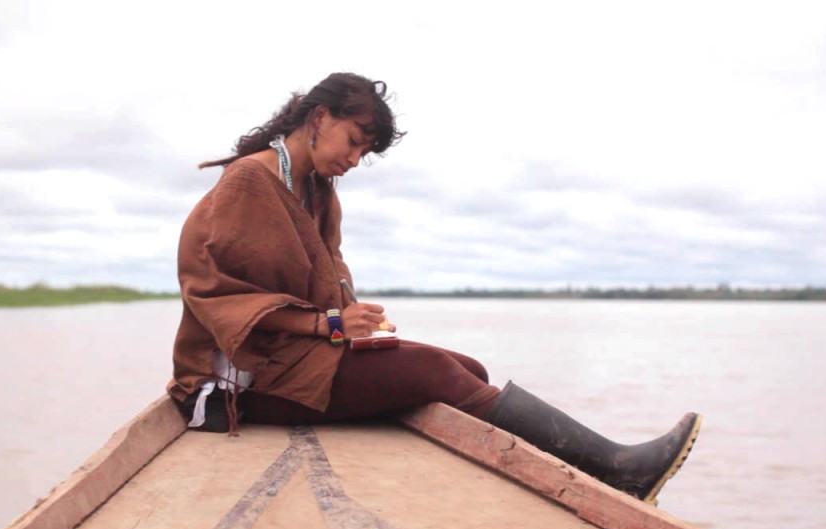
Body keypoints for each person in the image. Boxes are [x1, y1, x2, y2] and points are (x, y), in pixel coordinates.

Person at [167, 72, 701, 504]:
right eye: (353, 141)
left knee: (469, 371)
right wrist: (328, 324)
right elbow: (218, 296)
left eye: (364, 152)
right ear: (319, 117)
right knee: (436, 373)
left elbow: (328, 276)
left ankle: (603, 472)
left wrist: (352, 320)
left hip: (296, 356)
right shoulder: (251, 181)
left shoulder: (314, 187)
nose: (354, 160)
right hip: (239, 383)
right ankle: (617, 470)